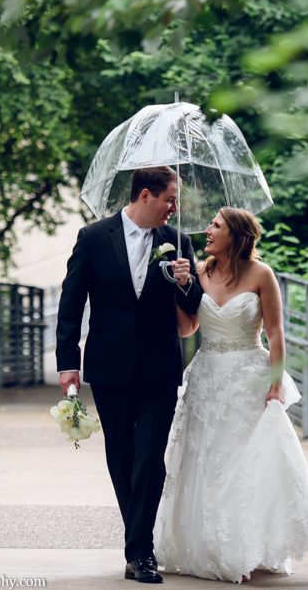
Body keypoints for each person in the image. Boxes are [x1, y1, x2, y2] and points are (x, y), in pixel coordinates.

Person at [153, 207, 308, 583]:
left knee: (245, 463)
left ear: (236, 234)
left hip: (248, 376)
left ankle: (248, 546)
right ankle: (210, 547)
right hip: (207, 377)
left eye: (216, 225)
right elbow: (187, 329)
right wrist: (178, 289)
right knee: (206, 461)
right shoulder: (198, 271)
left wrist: (276, 383)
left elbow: (276, 333)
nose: (207, 230)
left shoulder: (262, 274)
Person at [56, 166, 203, 585]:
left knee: (149, 459)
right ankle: (137, 542)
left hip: (159, 366)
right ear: (144, 195)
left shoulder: (178, 242)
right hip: (109, 365)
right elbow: (71, 304)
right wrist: (69, 364)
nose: (174, 208)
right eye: (169, 199)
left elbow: (195, 307)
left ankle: (141, 554)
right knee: (120, 457)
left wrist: (185, 280)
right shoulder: (92, 237)